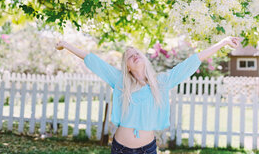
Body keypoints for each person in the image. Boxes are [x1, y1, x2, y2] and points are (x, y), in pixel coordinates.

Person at [55, 36, 241, 153]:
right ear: (127, 66)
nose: (135, 55)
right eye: (129, 55)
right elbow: (93, 60)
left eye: (137, 52)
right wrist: (66, 45)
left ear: (144, 58)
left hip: (148, 149)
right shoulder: (120, 82)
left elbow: (192, 62)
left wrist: (222, 42)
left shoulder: (161, 82)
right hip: (121, 149)